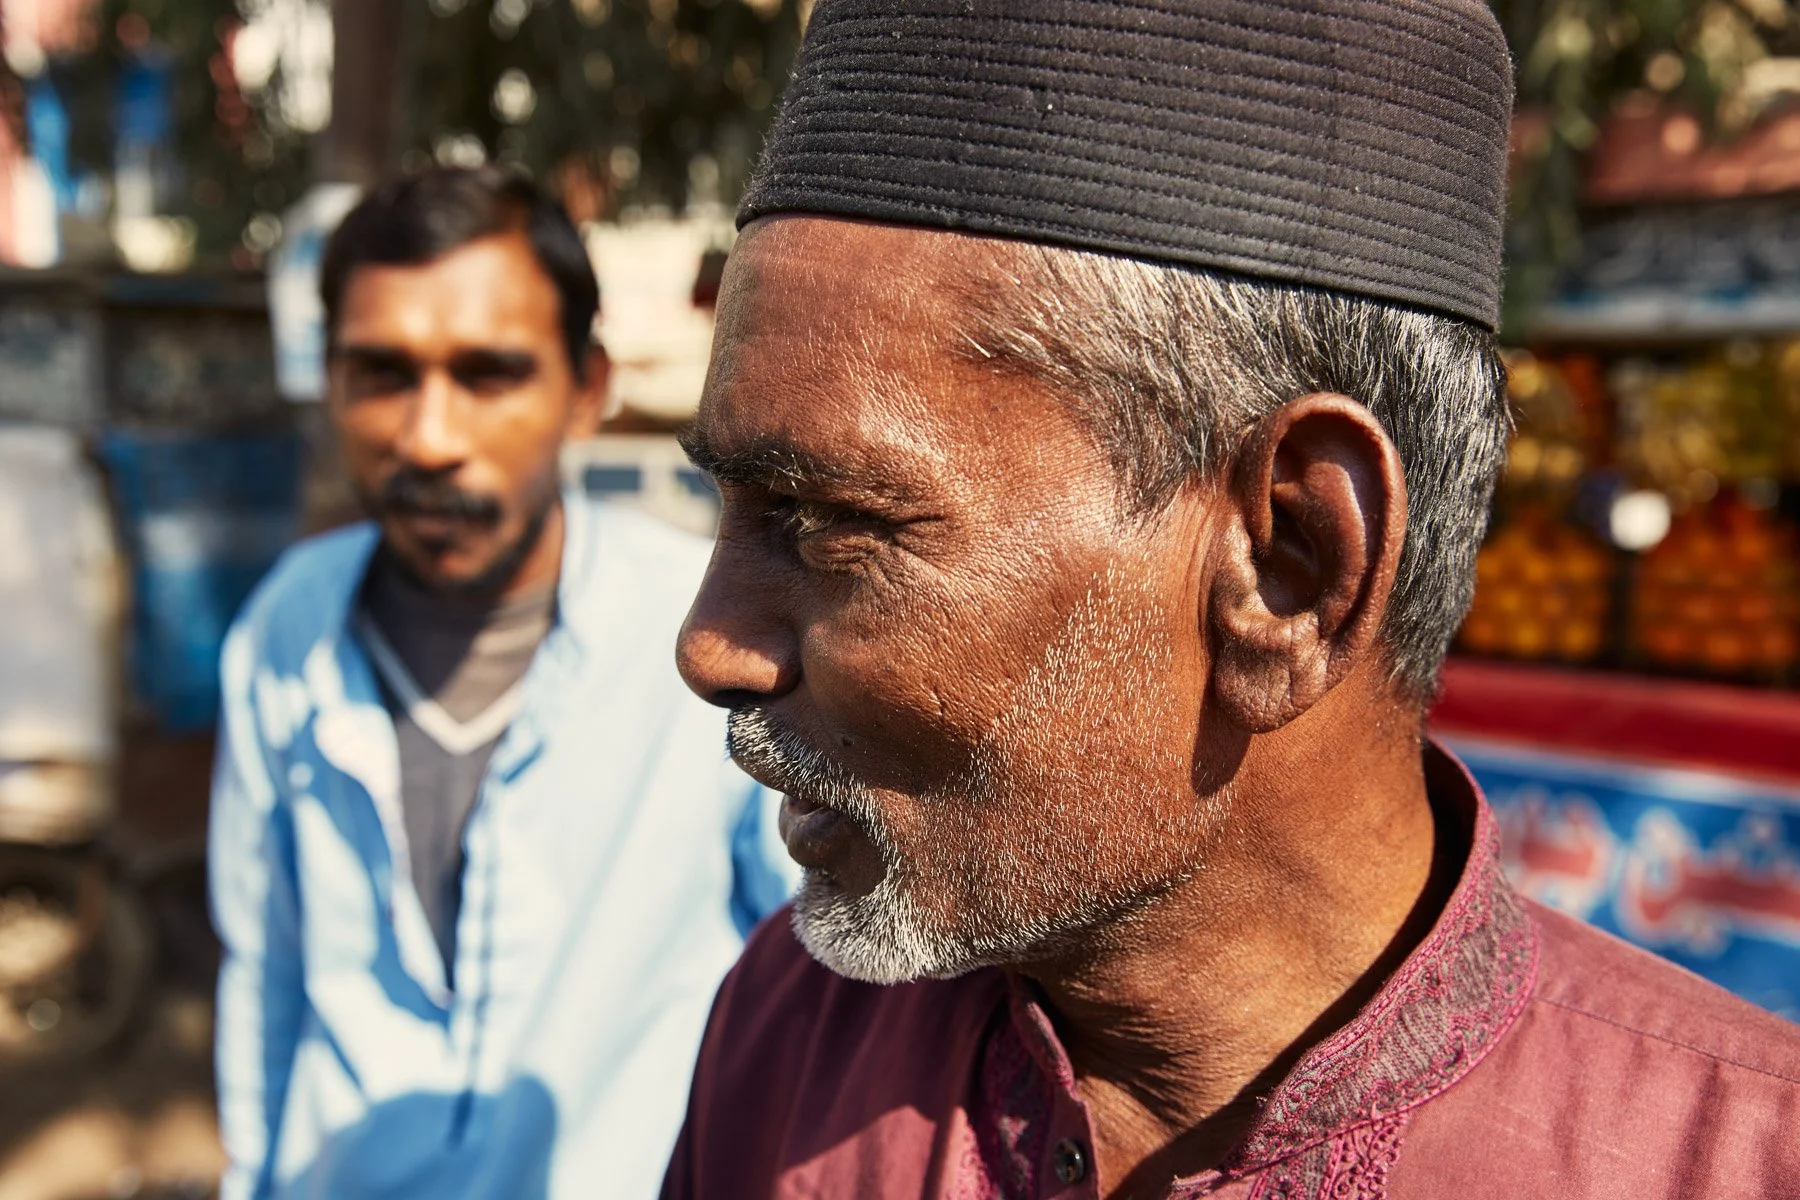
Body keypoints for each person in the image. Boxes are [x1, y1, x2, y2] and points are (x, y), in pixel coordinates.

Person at [661, 3, 1800, 1198]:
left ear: (1290, 564)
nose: (709, 646)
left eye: (830, 523)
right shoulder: (797, 1032)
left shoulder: (1732, 1161)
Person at [208, 166, 792, 1200]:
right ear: (330, 383)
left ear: (586, 387)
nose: (431, 438)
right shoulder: (283, 635)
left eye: (487, 375)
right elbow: (266, 976)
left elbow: (803, 981)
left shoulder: (709, 644)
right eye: (383, 373)